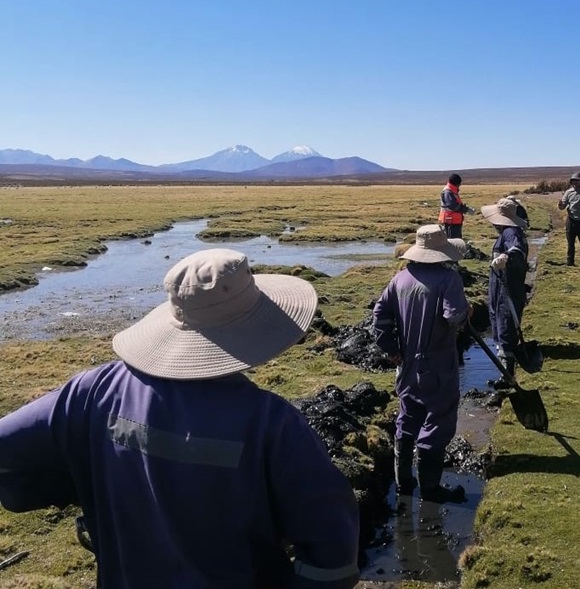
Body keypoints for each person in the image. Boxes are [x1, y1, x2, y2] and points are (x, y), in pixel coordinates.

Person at [0, 248, 360, 589]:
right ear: (256, 328)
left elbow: (9, 450)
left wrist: (81, 482)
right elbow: (333, 554)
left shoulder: (92, 390)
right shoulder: (272, 423)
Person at [372, 224, 471, 503]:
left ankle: (404, 484)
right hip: (438, 366)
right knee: (437, 422)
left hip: (406, 366)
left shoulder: (400, 279)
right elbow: (454, 317)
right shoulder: (448, 279)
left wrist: (391, 350)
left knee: (408, 417)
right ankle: (430, 489)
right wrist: (466, 312)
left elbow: (379, 317)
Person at [481, 198, 529, 384]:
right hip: (502, 285)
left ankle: (507, 374)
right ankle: (505, 370)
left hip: (507, 287)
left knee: (505, 323)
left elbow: (516, 250)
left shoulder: (511, 232)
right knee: (501, 321)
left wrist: (505, 256)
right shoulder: (508, 231)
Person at [557, 172, 580, 266]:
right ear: (571, 181)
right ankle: (570, 262)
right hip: (571, 221)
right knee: (570, 243)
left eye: (577, 180)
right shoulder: (568, 192)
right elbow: (562, 206)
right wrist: (560, 205)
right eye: (573, 180)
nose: (575, 182)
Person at [438, 173, 474, 239]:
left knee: (455, 241)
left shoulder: (451, 191)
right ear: (457, 183)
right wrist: (466, 209)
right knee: (453, 242)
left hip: (453, 221)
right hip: (450, 222)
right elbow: (453, 206)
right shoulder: (448, 192)